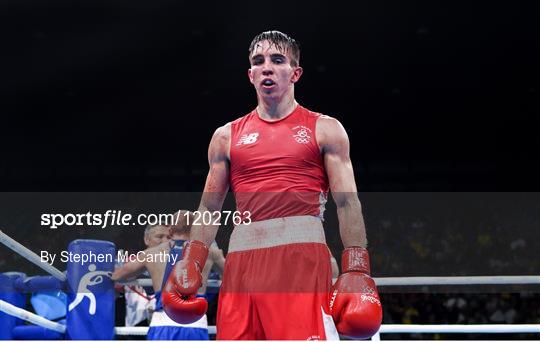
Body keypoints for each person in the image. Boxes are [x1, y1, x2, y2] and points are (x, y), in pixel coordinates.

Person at [162, 31, 382, 340]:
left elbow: (347, 202)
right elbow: (209, 207)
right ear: (250, 75)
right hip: (241, 262)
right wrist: (192, 260)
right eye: (258, 61)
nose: (267, 67)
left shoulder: (325, 129)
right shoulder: (225, 136)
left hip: (299, 258)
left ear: (295, 73)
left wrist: (356, 267)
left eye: (277, 60)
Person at [112, 211, 224, 340]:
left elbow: (117, 275)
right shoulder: (210, 252)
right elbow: (232, 276)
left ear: (170, 230)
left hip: (162, 325)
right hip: (196, 325)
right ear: (196, 230)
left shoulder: (151, 254)